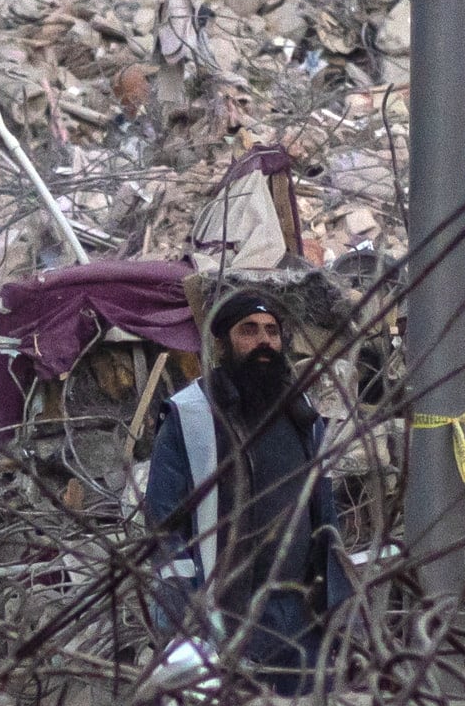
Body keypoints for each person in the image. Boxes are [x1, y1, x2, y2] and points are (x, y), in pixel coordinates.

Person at [142, 282, 345, 685]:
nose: (264, 341)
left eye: (271, 331)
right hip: (229, 615)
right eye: (249, 330)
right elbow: (164, 528)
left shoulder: (300, 412)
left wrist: (337, 602)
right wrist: (189, 619)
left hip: (301, 615)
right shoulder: (190, 416)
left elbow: (324, 511)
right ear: (223, 344)